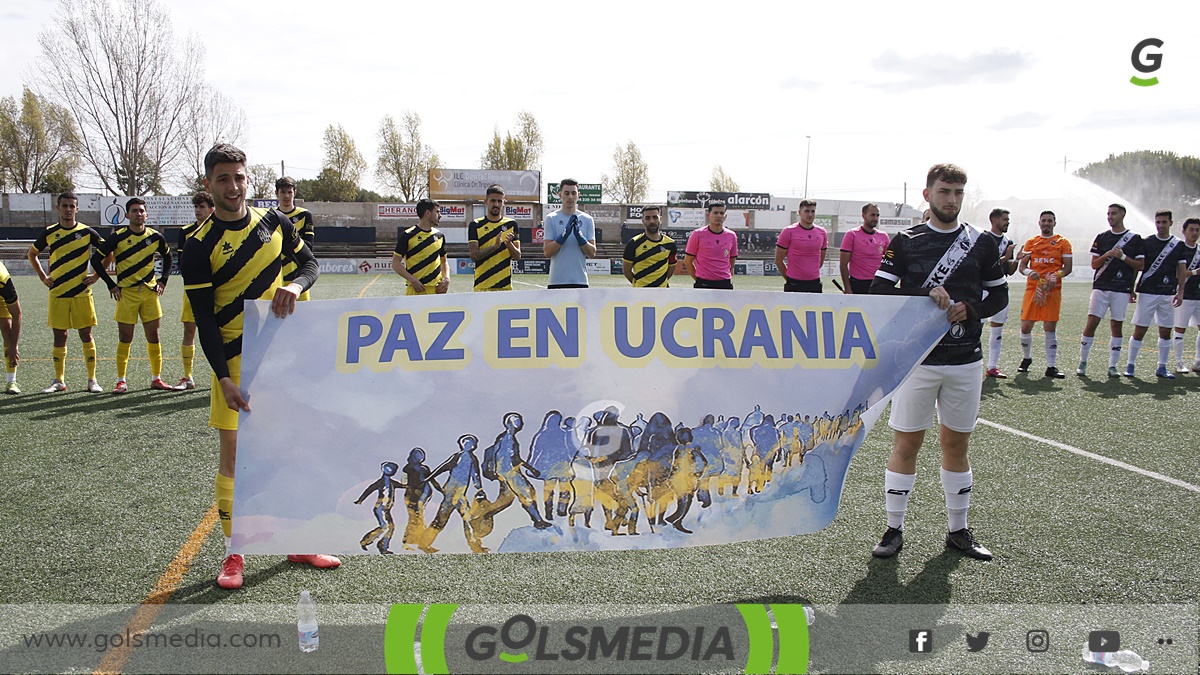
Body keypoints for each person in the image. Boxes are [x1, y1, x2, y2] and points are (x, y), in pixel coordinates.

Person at [180, 143, 338, 590]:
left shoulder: (275, 222)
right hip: (234, 365)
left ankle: (299, 540)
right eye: (224, 178)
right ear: (209, 184)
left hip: (282, 363)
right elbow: (205, 318)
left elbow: (310, 264)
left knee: (290, 451)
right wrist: (224, 378)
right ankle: (235, 553)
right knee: (235, 459)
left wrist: (294, 282)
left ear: (249, 179)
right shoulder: (196, 246)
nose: (234, 185)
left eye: (240, 176)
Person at [869, 163, 1007, 561]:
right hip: (918, 361)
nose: (951, 200)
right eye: (944, 191)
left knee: (956, 443)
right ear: (927, 194)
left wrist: (970, 308)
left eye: (958, 193)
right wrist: (924, 295)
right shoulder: (906, 240)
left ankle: (958, 532)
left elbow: (998, 298)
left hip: (965, 360)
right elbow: (879, 292)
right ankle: (894, 529)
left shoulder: (981, 242)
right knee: (907, 442)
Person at [90, 197, 174, 393]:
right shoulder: (117, 237)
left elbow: (168, 257)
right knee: (125, 337)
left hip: (149, 293)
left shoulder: (155, 237)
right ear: (127, 215)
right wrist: (111, 284)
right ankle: (121, 380)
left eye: (141, 210)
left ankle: (156, 378)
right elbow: (96, 259)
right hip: (126, 294)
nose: (138, 214)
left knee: (154, 336)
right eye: (134, 211)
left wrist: (163, 280)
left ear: (146, 215)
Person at [27, 192, 106, 393]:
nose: (68, 209)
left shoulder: (87, 232)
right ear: (58, 208)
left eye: (72, 206)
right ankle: (59, 381)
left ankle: (92, 380)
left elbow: (108, 251)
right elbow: (32, 254)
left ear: (77, 209)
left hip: (81, 292)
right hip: (58, 292)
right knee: (59, 336)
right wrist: (44, 277)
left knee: (86, 335)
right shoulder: (50, 232)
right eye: (65, 206)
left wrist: (96, 276)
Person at [1077, 204, 1143, 377]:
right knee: (1091, 323)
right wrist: (1107, 255)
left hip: (1121, 289)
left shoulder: (1135, 239)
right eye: (1108, 214)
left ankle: (1113, 365)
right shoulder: (1102, 237)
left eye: (1113, 213)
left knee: (1117, 326)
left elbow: (1140, 265)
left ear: (1122, 215)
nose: (1110, 217)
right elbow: (1094, 264)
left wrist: (1122, 257)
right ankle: (1082, 362)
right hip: (1101, 287)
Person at [1124, 210, 1189, 379]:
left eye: (1164, 222)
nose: (1160, 225)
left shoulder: (1178, 245)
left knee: (1165, 331)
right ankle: (1130, 365)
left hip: (1168, 293)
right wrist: (1131, 289)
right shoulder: (1146, 243)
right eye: (1158, 222)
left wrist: (1180, 291)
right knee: (1140, 329)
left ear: (1171, 223)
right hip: (1147, 292)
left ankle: (1162, 367)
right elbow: (1138, 267)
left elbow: (1181, 270)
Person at [1016, 211, 1073, 378]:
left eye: (1049, 221)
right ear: (1039, 223)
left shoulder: (1063, 242)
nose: (1046, 223)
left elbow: (1067, 267)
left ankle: (1051, 366)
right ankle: (1026, 359)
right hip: (1033, 289)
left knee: (1049, 327)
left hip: (1052, 290)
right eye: (1044, 221)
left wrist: (1057, 275)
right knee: (1026, 326)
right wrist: (1029, 272)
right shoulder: (1031, 242)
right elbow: (1022, 266)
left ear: (1055, 223)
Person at [175, 192, 215, 390]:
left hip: (217, 291)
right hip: (193, 290)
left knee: (219, 332)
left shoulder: (219, 231)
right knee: (189, 330)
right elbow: (184, 264)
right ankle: (187, 376)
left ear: (211, 209)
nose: (198, 210)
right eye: (196, 207)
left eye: (202, 207)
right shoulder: (186, 231)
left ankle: (219, 375)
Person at [982, 208, 1020, 378]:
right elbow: (983, 267)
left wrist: (1017, 258)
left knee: (997, 329)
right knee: (976, 327)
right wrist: (1005, 258)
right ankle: (973, 364)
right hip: (982, 290)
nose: (1008, 222)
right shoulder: (982, 239)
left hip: (1000, 290)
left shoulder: (1007, 241)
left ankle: (992, 367)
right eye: (1005, 219)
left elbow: (1010, 271)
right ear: (994, 220)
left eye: (1008, 219)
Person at [543, 178, 597, 289]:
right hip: (556, 281)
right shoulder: (551, 218)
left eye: (573, 193)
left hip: (580, 281)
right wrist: (563, 236)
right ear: (560, 195)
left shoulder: (587, 219)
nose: (570, 197)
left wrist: (580, 237)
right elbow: (547, 252)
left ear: (578, 195)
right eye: (566, 193)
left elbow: (592, 253)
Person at [468, 184, 521, 291]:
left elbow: (517, 256)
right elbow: (473, 256)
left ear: (504, 203)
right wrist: (494, 247)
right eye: (492, 200)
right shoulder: (476, 224)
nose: (496, 204)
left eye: (499, 201)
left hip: (505, 287)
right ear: (486, 202)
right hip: (482, 286)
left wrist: (509, 244)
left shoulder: (512, 224)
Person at [392, 198, 449, 295]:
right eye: (437, 212)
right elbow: (395, 264)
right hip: (416, 291)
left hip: (437, 291)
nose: (440, 216)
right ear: (428, 213)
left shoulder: (440, 236)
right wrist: (413, 280)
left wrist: (447, 279)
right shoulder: (407, 235)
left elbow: (444, 262)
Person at [276, 176, 315, 301]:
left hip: (298, 280)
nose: (286, 196)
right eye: (283, 192)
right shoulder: (271, 217)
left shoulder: (304, 215)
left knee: (303, 318)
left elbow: (308, 246)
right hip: (277, 278)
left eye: (289, 192)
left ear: (295, 193)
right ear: (276, 193)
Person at [776, 199, 827, 292]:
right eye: (807, 211)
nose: (810, 214)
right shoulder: (788, 231)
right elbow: (778, 260)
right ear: (799, 212)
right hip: (794, 283)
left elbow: (821, 258)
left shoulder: (822, 232)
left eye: (813, 211)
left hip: (814, 283)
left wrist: (810, 272)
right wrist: (789, 279)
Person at [684, 200, 737, 289]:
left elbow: (732, 259)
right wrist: (697, 279)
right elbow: (688, 261)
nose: (719, 216)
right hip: (703, 283)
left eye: (721, 213)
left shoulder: (731, 236)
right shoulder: (697, 234)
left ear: (725, 216)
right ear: (708, 215)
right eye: (715, 213)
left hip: (725, 283)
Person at [839, 203, 891, 295]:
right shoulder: (852, 234)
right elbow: (843, 264)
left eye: (877, 215)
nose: (875, 218)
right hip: (858, 284)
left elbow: (889, 262)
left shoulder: (883, 236)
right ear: (863, 215)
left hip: (877, 284)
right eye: (872, 215)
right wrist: (847, 288)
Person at [623, 206, 677, 287]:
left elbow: (671, 268)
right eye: (648, 218)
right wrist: (639, 283)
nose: (652, 221)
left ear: (660, 219)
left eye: (655, 217)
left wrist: (660, 282)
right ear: (643, 220)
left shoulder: (670, 244)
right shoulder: (634, 243)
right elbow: (626, 270)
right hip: (640, 293)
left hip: (662, 293)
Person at [1172, 218, 1200, 373]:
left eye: (1197, 230)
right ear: (1183, 231)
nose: (1194, 233)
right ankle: (1179, 362)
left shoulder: (1199, 250)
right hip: (1183, 295)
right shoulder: (1179, 249)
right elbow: (1175, 273)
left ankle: (1198, 362)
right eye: (1191, 230)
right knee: (1180, 329)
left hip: (1198, 295)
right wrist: (1195, 272)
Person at [0, 261, 22, 394]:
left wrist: (13, 346)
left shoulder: (3, 280)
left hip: (0, 296)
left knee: (8, 332)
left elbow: (17, 314)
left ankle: (11, 381)